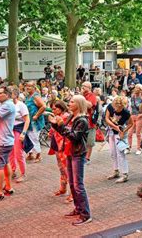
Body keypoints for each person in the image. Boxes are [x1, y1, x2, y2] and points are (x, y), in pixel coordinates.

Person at [48, 95, 92, 226]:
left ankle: (85, 214)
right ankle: (78, 208)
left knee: (78, 185)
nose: (69, 103)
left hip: (77, 153)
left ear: (78, 104)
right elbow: (64, 132)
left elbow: (74, 137)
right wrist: (55, 124)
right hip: (71, 151)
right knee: (73, 183)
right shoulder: (72, 117)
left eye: (72, 102)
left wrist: (60, 125)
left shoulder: (82, 120)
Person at [105, 96, 133, 183]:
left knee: (120, 153)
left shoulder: (126, 112)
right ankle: (115, 170)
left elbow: (131, 123)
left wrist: (123, 131)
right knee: (113, 152)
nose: (115, 110)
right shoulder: (110, 106)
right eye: (114, 107)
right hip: (111, 131)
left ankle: (125, 174)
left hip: (119, 133)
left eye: (117, 108)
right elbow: (107, 118)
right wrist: (114, 126)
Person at [48, 101, 72, 202]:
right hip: (57, 144)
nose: (53, 110)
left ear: (61, 108)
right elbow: (53, 130)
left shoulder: (65, 116)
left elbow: (65, 130)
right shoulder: (57, 116)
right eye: (52, 109)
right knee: (62, 168)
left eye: (55, 108)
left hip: (63, 145)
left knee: (67, 169)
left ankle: (72, 193)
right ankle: (63, 189)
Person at [9, 87, 30, 183]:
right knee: (10, 152)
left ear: (16, 95)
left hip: (18, 130)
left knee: (18, 153)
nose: (8, 94)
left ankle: (23, 173)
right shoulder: (6, 104)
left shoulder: (21, 105)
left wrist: (23, 133)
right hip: (8, 130)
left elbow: (27, 120)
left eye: (10, 93)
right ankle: (13, 171)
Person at [25, 81, 46, 163]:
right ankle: (30, 154)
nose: (27, 87)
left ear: (34, 87)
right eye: (26, 86)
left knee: (34, 137)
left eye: (29, 86)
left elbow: (43, 106)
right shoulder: (28, 96)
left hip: (35, 122)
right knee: (28, 137)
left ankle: (38, 155)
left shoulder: (35, 96)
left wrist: (37, 115)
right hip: (29, 121)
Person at [81, 81, 97, 164]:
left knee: (89, 142)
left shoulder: (92, 96)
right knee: (82, 141)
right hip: (81, 121)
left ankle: (87, 158)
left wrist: (81, 99)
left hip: (90, 122)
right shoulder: (81, 95)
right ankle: (82, 156)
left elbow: (90, 105)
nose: (82, 87)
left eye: (84, 86)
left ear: (89, 88)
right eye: (82, 86)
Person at [128, 84, 142, 155]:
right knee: (129, 133)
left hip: (139, 116)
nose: (135, 89)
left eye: (138, 88)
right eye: (135, 87)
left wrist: (140, 115)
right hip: (132, 116)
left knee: (138, 134)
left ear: (140, 90)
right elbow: (131, 107)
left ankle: (138, 148)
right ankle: (128, 147)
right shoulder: (132, 96)